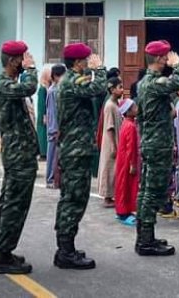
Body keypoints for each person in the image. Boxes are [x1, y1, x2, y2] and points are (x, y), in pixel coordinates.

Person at [54, 43, 107, 270]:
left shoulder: (73, 79)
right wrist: (101, 69)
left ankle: (66, 248)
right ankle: (65, 251)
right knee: (73, 199)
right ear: (77, 63)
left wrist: (91, 72)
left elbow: (89, 84)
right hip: (75, 151)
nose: (88, 63)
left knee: (74, 198)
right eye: (85, 60)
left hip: (77, 149)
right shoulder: (71, 82)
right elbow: (97, 88)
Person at [0, 41, 38, 275]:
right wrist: (31, 69)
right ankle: (2, 255)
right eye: (21, 59)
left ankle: (2, 251)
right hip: (18, 155)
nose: (24, 62)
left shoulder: (7, 83)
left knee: (11, 201)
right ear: (12, 61)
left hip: (20, 153)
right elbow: (30, 88)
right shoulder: (4, 85)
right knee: (15, 204)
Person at [135, 40, 179, 257]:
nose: (167, 61)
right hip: (157, 144)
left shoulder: (146, 82)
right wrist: (178, 65)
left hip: (151, 142)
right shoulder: (154, 82)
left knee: (147, 191)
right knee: (152, 193)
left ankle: (145, 236)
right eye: (165, 58)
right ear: (157, 59)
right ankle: (145, 242)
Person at [98, 77, 124, 208]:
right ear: (112, 90)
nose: (122, 89)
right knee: (109, 169)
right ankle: (107, 196)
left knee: (114, 170)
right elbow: (109, 127)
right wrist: (114, 146)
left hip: (115, 140)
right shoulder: (109, 106)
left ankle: (112, 194)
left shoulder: (116, 104)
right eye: (119, 87)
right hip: (110, 142)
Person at [115, 98, 140, 226]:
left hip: (123, 159)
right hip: (127, 161)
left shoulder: (127, 123)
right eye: (134, 107)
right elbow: (131, 147)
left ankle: (123, 210)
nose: (137, 109)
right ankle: (123, 212)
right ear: (128, 111)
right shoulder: (130, 126)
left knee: (122, 185)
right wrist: (132, 164)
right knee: (126, 186)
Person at [46, 64, 66, 189]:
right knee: (52, 154)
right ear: (56, 76)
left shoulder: (57, 89)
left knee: (56, 155)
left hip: (57, 127)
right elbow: (52, 111)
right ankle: (50, 179)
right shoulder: (53, 91)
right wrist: (55, 129)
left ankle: (55, 178)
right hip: (55, 128)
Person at [36, 66, 51, 160]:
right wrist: (44, 115)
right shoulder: (42, 88)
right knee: (42, 134)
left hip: (46, 114)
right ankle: (43, 153)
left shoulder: (47, 87)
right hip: (43, 115)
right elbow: (42, 103)